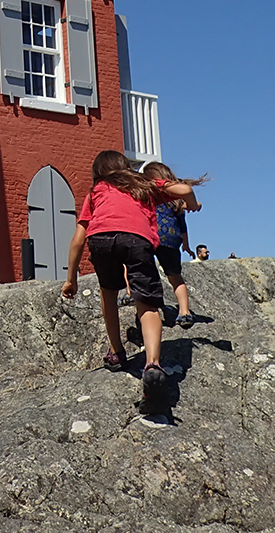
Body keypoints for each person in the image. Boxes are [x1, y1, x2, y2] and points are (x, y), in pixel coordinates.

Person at [62, 150, 202, 400]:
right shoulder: (143, 184)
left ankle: (116, 351)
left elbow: (77, 239)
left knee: (108, 293)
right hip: (136, 239)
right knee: (147, 302)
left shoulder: (97, 191)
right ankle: (152, 363)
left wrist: (71, 278)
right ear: (126, 166)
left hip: (100, 239)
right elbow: (184, 190)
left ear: (98, 173)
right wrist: (191, 204)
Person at [142, 161, 201, 330]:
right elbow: (182, 224)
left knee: (137, 267)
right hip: (171, 237)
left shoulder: (147, 192)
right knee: (175, 276)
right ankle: (184, 311)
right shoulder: (175, 199)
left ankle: (131, 294)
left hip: (149, 235)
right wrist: (186, 244)